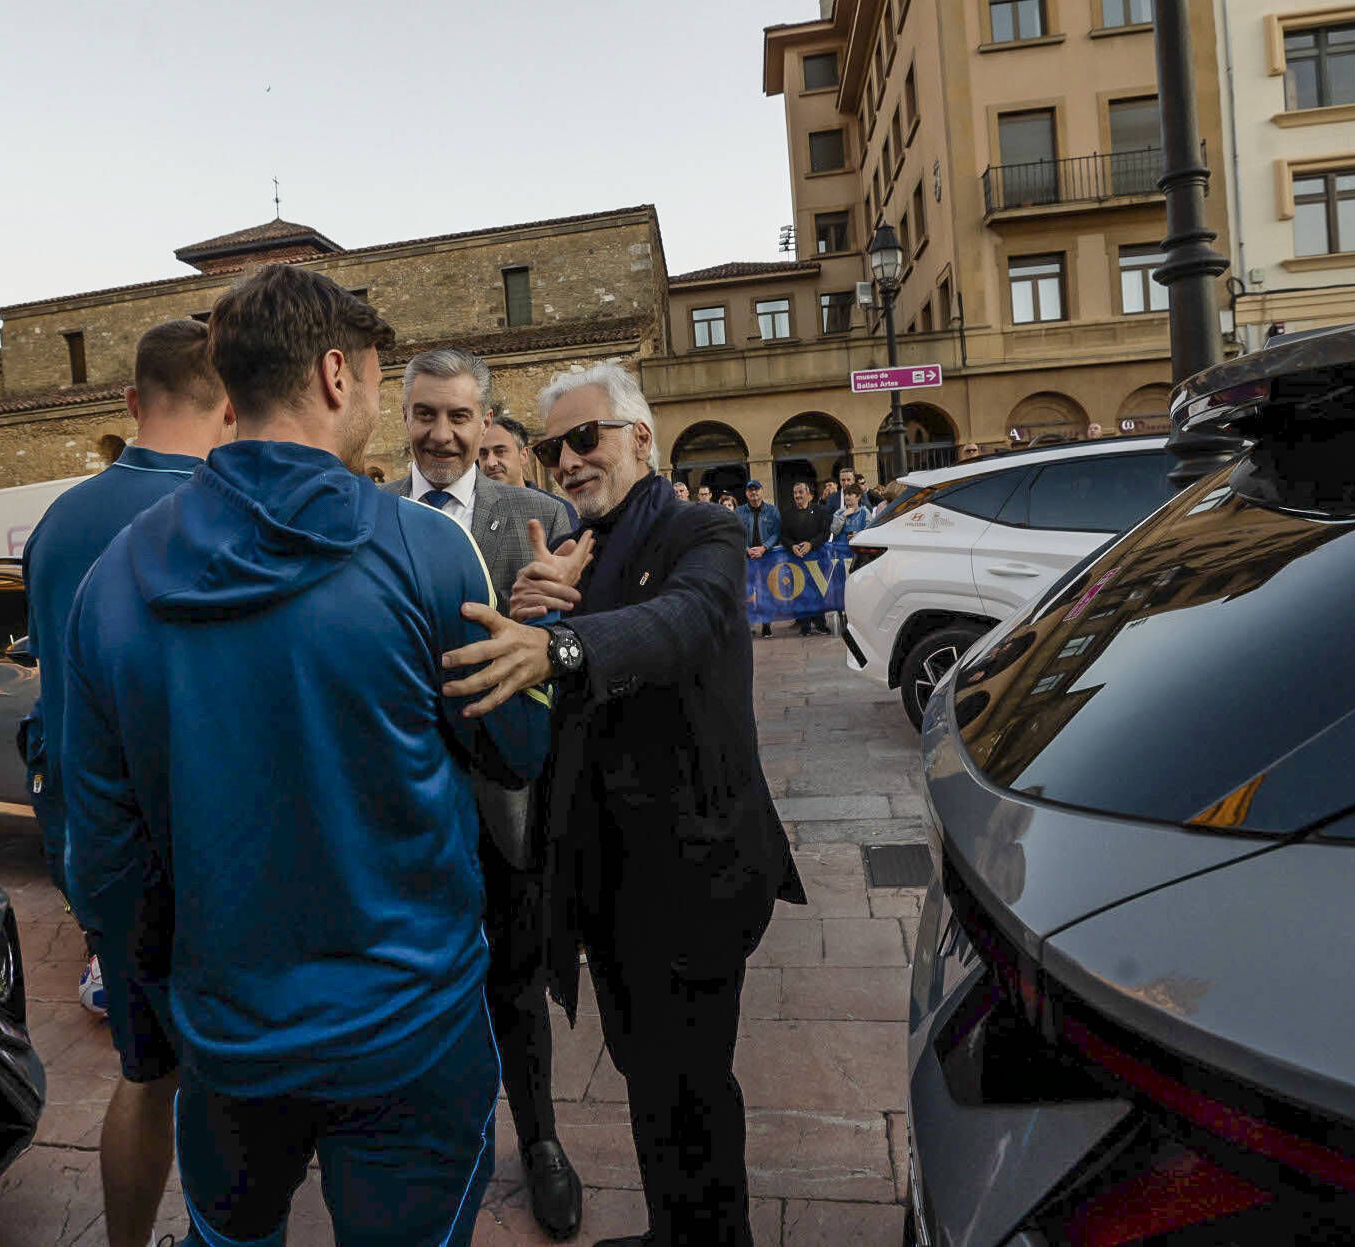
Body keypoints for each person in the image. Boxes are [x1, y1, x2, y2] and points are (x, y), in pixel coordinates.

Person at [61, 265, 550, 1247]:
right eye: (374, 379)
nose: (374, 401)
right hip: (410, 1028)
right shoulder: (425, 550)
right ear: (335, 374)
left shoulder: (110, 582)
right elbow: (513, 748)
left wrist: (163, 1024)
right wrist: (537, 654)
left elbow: (103, 858)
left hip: (228, 1039)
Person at [440, 361, 805, 1247]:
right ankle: (671, 1231)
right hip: (608, 879)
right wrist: (539, 606)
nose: (566, 460)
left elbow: (681, 621)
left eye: (583, 438)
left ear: (640, 436)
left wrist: (559, 645)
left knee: (694, 1092)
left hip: (693, 875)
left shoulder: (703, 529)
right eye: (551, 448)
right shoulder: (581, 550)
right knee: (647, 1077)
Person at [20, 319, 233, 1247]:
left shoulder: (58, 522)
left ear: (131, 401)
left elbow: (53, 678)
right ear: (233, 403)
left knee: (143, 1076)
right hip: (204, 845)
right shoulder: (222, 511)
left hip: (96, 843)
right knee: (229, 1079)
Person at [385, 347, 585, 1241]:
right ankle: (429, 1149)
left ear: (485, 423)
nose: (442, 433)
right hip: (402, 815)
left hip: (510, 810)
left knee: (517, 985)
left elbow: (578, 664)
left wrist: (559, 621)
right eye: (425, 414)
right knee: (419, 992)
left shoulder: (541, 519)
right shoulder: (372, 522)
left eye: (459, 416)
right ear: (404, 417)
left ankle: (541, 1140)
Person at [483, 413, 581, 529]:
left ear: (523, 455)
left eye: (500, 452)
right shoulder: (471, 512)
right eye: (483, 454)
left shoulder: (556, 511)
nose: (490, 462)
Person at [780, 480, 831, 637]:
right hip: (797, 559)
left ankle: (820, 624)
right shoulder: (787, 513)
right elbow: (783, 536)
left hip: (817, 558)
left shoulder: (820, 511)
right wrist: (792, 546)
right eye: (795, 493)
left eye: (800, 492)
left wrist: (811, 544)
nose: (797, 496)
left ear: (809, 494)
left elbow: (825, 533)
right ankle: (805, 625)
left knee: (817, 591)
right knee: (800, 592)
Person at [739, 480, 781, 639]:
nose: (753, 493)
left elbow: (777, 532)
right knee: (747, 591)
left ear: (762, 491)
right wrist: (746, 549)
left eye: (756, 489)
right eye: (750, 490)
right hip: (746, 557)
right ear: (746, 493)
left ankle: (766, 624)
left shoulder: (772, 510)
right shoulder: (739, 512)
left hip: (767, 556)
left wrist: (764, 547)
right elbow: (735, 532)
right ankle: (749, 624)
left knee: (766, 591)